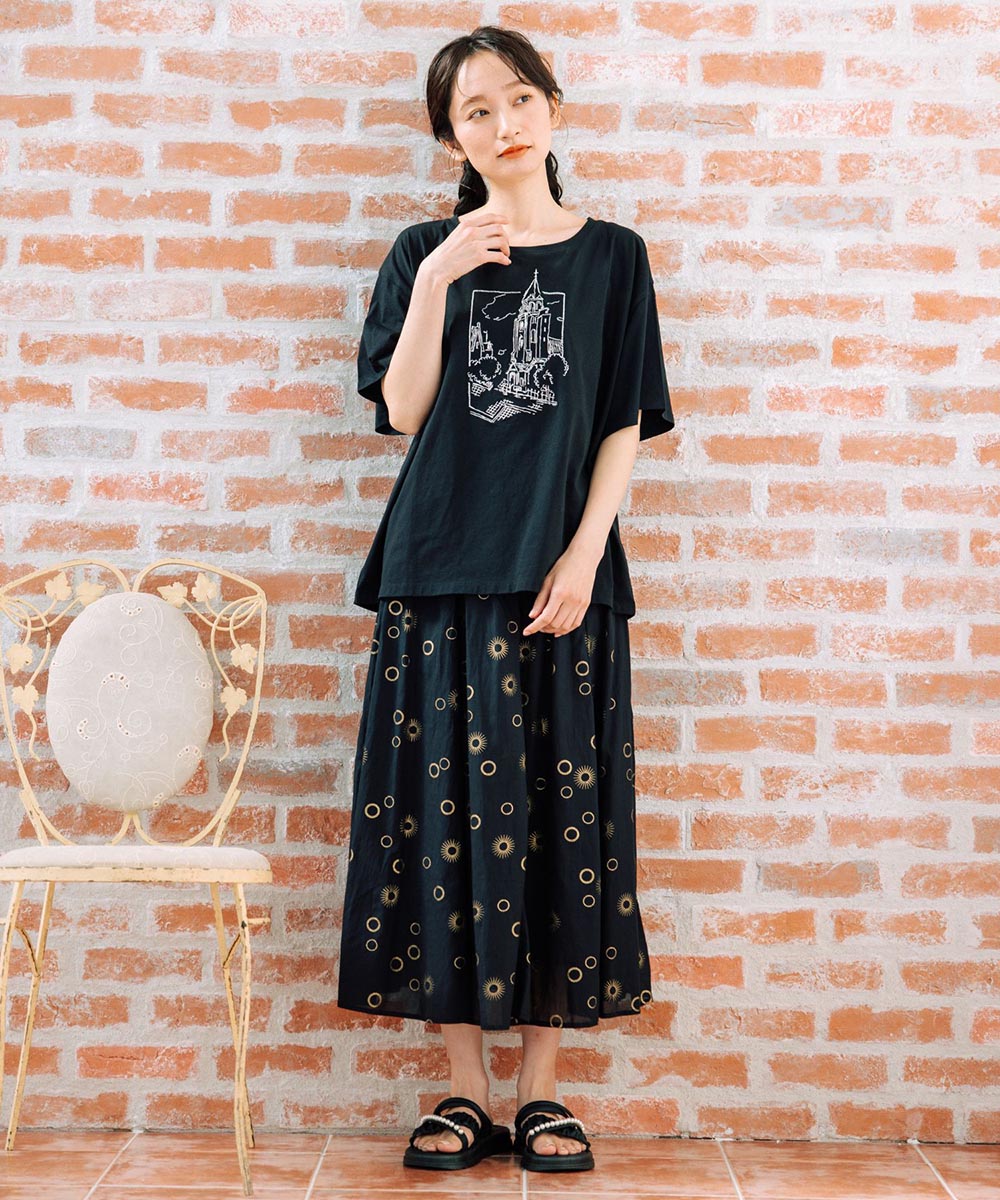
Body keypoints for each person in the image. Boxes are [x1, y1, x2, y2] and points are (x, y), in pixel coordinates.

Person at [336, 23, 675, 1175]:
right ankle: (460, 1092)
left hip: (562, 581)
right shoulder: (418, 253)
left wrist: (584, 554)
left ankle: (539, 1095)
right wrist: (439, 274)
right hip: (436, 574)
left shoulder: (614, 257)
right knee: (440, 830)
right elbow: (404, 411)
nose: (503, 121)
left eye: (519, 98)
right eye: (475, 109)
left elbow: (623, 420)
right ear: (451, 138)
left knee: (559, 826)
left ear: (553, 109)